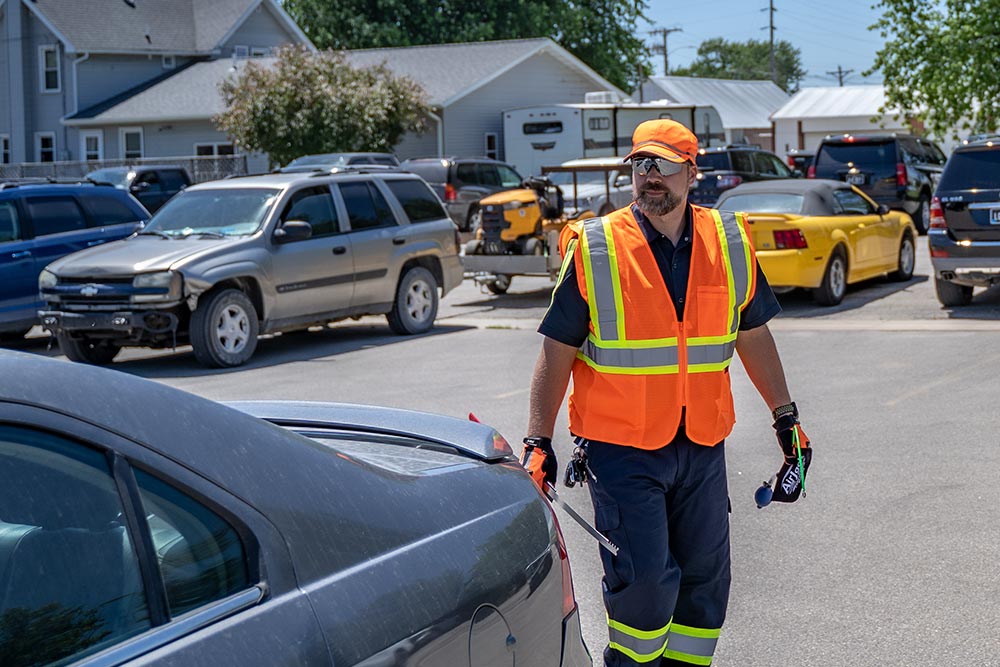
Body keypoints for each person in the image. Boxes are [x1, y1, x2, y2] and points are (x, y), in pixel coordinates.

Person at [520, 119, 812, 667]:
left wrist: (786, 422)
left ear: (692, 173)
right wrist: (539, 438)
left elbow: (754, 335)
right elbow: (556, 348)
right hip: (621, 449)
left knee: (704, 589)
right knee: (646, 589)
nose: (651, 176)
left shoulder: (729, 242)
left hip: (701, 444)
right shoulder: (598, 246)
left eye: (664, 164)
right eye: (640, 164)